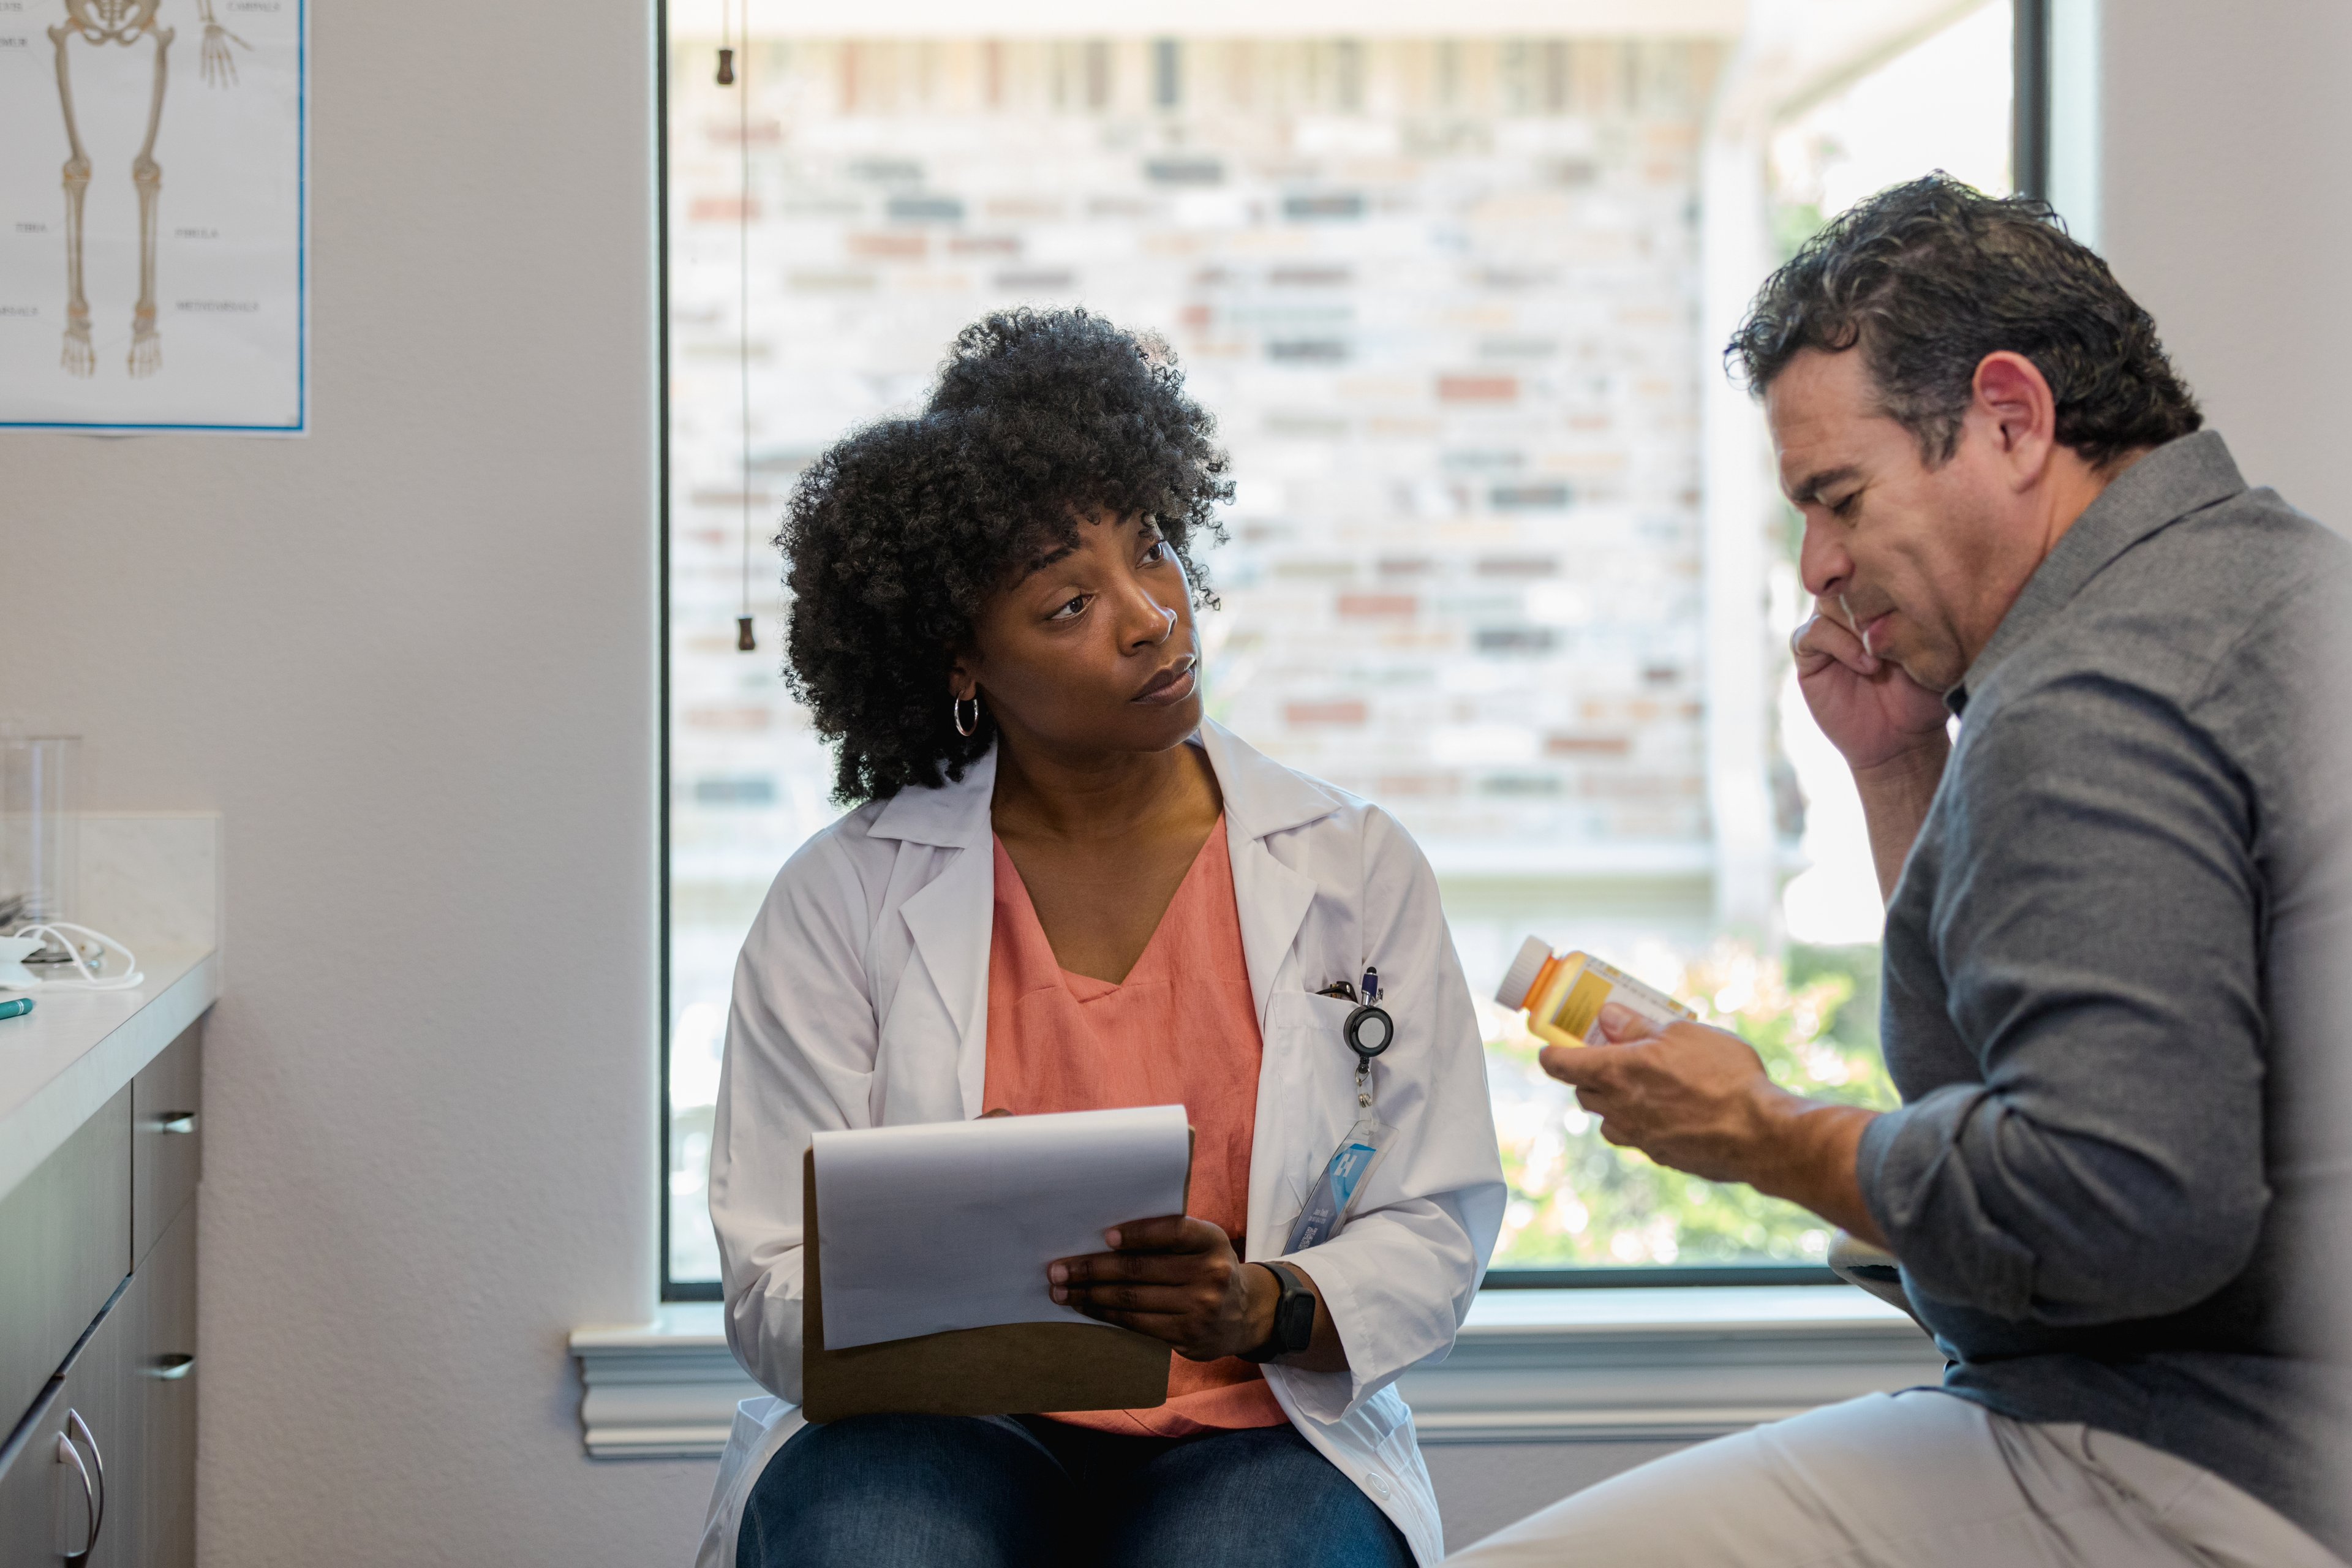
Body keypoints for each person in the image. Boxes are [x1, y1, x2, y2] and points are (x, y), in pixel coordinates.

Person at [1450, 175, 2352, 1566]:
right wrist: (1896, 769)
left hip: (2197, 1458)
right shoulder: (2275, 582)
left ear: (2010, 416)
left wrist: (1762, 1128)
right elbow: (2017, 1065)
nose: (1820, 565)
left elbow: (2121, 1204)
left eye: (1840, 497)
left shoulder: (2091, 693)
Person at [697, 307, 1507, 1568]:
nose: (1152, 618)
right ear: (964, 658)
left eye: (1156, 551)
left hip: (1256, 1429)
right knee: (869, 1542)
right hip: (938, 1424)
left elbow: (1436, 1219)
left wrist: (1262, 1300)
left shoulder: (1349, 865)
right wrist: (948, 1256)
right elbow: (768, 1281)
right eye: (1070, 601)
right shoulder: (843, 896)